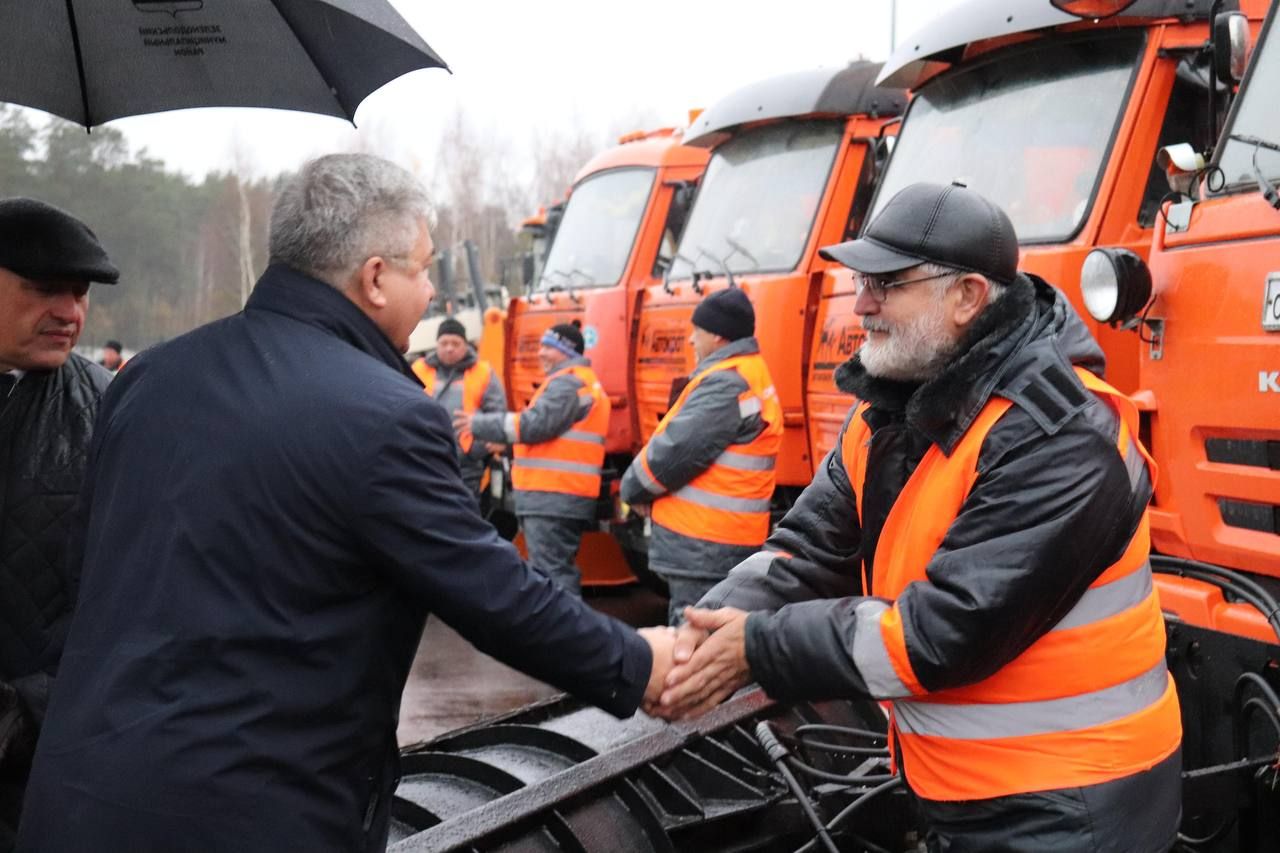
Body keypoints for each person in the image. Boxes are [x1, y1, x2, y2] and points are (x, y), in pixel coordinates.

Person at [16, 154, 674, 853]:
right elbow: (495, 596)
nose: (429, 292)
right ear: (375, 278)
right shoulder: (386, 413)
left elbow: (84, 573)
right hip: (249, 817)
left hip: (76, 801)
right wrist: (641, 663)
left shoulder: (148, 377)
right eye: (422, 270)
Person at [653, 183, 1183, 852]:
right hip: (961, 790)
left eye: (886, 282)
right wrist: (697, 634)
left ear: (967, 297)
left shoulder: (1062, 432)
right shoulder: (888, 408)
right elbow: (807, 549)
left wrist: (756, 645)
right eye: (859, 279)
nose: (861, 301)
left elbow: (943, 631)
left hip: (1071, 807)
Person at [0, 198, 118, 849]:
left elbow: (144, 594)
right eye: (45, 288)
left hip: (53, 781)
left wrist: (30, 708)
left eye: (79, 293)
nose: (70, 312)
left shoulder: (112, 412)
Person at [620, 288, 782, 625]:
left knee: (692, 647)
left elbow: (675, 452)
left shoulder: (725, 383)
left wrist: (632, 489)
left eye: (698, 331)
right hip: (722, 539)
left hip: (703, 544)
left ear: (719, 335)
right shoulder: (748, 373)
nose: (691, 340)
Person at [460, 323, 607, 598]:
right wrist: (509, 447)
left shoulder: (568, 383)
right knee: (552, 572)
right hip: (557, 495)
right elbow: (549, 437)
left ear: (567, 351)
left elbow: (533, 425)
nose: (541, 354)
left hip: (553, 495)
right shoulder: (576, 381)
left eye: (548, 347)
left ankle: (565, 637)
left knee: (554, 576)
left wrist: (476, 424)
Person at [410, 317, 506, 494]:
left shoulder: (482, 372)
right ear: (436, 344)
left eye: (456, 343)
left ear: (466, 345)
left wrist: (474, 451)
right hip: (423, 461)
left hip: (466, 468)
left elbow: (496, 417)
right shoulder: (419, 369)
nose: (449, 348)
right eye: (444, 342)